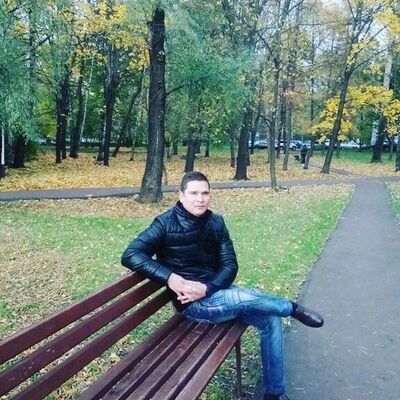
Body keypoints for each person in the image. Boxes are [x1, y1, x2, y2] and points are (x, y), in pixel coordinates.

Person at [121, 171, 323, 400]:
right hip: (193, 306)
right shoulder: (164, 224)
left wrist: (208, 288)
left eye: (205, 193)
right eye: (194, 193)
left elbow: (230, 266)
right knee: (240, 297)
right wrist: (171, 278)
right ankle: (291, 308)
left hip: (218, 293)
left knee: (270, 319)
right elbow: (131, 254)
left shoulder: (216, 223)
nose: (200, 199)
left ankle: (275, 394)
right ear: (181, 195)